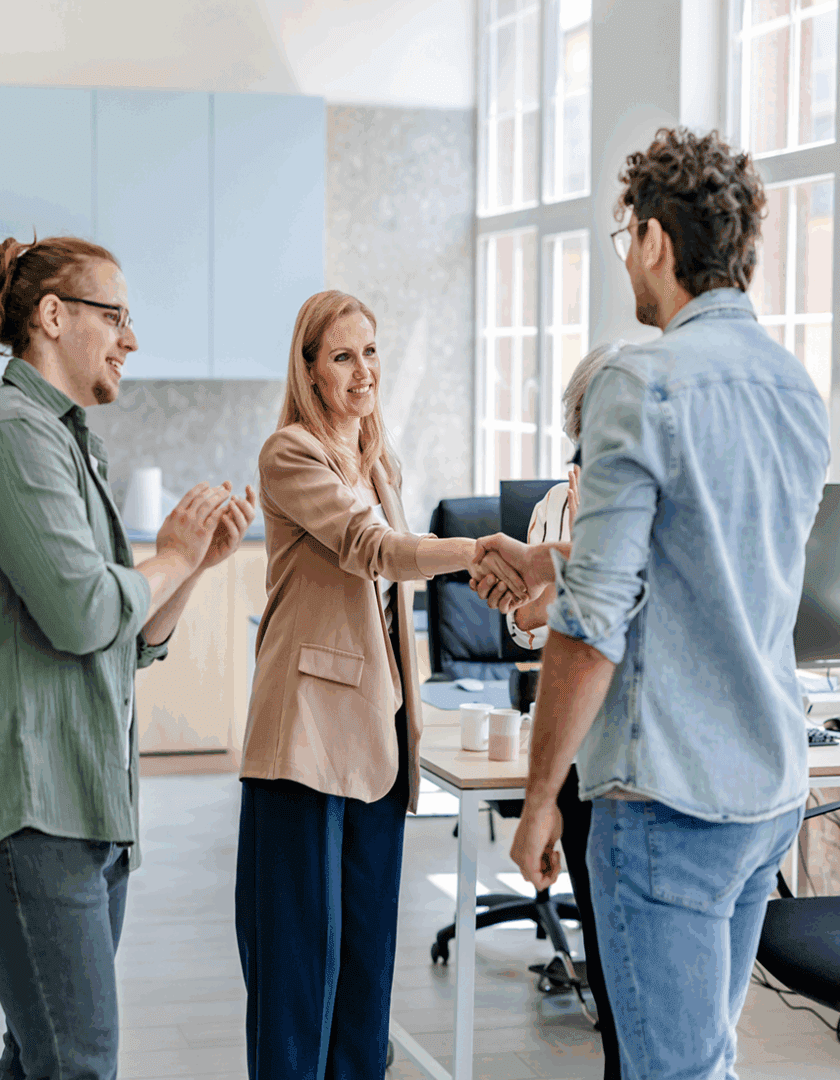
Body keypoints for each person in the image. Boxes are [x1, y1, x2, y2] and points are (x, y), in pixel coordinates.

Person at [471, 128, 829, 1080]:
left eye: (625, 234)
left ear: (656, 242)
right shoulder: (795, 389)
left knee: (668, 1072)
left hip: (665, 798)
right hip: (766, 789)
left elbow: (592, 627)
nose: (624, 256)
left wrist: (540, 797)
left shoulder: (639, 381)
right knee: (704, 1061)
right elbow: (710, 570)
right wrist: (550, 563)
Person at [0, 234, 256, 1080]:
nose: (131, 337)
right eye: (114, 315)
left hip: (81, 804)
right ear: (52, 317)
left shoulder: (65, 438)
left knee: (43, 1051)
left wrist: (194, 567)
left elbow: (131, 642)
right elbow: (83, 613)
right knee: (75, 1060)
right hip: (30, 809)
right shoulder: (8, 433)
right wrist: (173, 555)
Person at [234, 290, 524, 1080]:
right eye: (341, 356)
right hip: (305, 737)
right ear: (309, 370)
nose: (363, 371)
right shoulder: (289, 452)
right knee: (301, 965)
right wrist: (475, 552)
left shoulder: (377, 458)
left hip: (379, 732)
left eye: (370, 351)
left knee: (366, 962)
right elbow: (373, 550)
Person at [503, 341, 623, 1080]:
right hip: (584, 746)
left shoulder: (641, 500)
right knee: (614, 965)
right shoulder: (558, 504)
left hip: (632, 751)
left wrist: (579, 559)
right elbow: (529, 624)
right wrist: (571, 558)